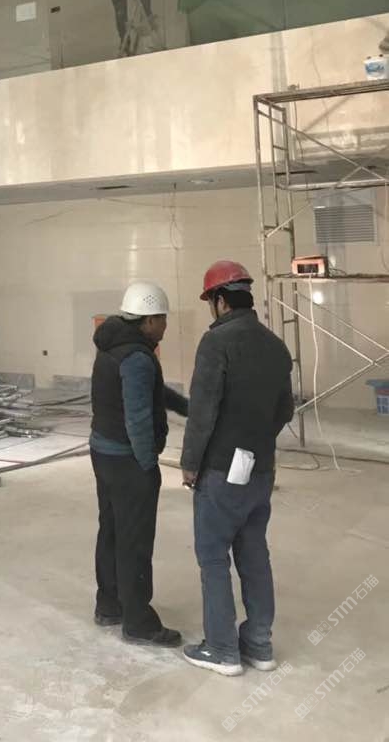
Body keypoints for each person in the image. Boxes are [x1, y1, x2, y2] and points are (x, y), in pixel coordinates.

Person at [181, 261, 294, 676]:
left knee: (213, 558)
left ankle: (222, 649)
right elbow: (285, 409)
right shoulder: (276, 346)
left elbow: (202, 412)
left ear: (220, 300)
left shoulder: (217, 343)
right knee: (254, 554)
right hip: (260, 468)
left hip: (220, 471)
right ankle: (259, 645)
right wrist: (255, 438)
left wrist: (190, 464)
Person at [90, 281, 189, 647]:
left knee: (112, 529)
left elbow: (152, 392)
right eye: (162, 319)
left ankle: (109, 604)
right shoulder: (137, 358)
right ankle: (139, 622)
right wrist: (148, 465)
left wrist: (187, 407)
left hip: (103, 452)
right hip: (127, 460)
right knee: (135, 539)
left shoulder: (113, 346)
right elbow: (138, 417)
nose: (165, 326)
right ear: (148, 320)